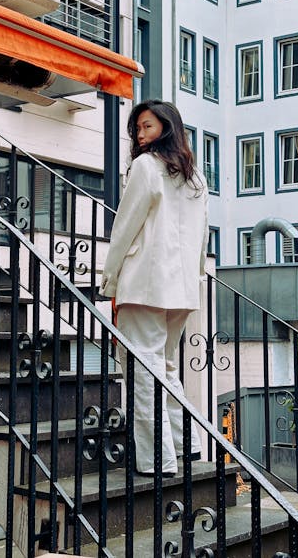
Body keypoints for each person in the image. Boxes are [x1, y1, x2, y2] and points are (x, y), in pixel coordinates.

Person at [99, 99, 209, 476]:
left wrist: (109, 277)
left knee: (141, 370)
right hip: (181, 289)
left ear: (167, 127)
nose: (141, 135)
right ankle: (187, 445)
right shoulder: (195, 177)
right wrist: (194, 279)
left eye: (147, 127)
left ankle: (156, 459)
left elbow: (125, 227)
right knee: (164, 366)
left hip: (146, 284)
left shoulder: (145, 167)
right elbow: (202, 239)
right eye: (138, 129)